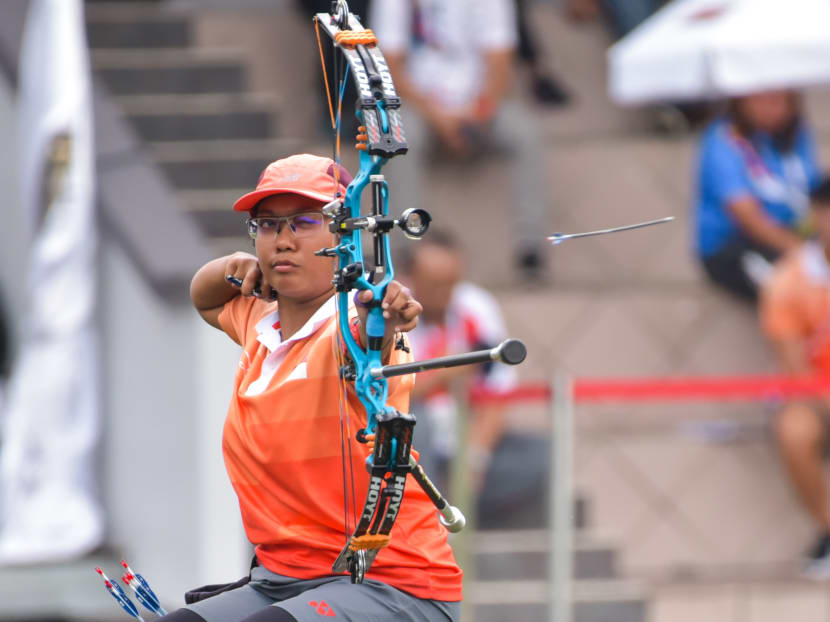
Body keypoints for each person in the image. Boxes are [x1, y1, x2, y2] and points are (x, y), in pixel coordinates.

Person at [160, 154, 461, 622]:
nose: (282, 240)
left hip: (394, 585)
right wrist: (233, 267)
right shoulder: (258, 319)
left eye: (304, 222)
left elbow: (371, 333)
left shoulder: (348, 328)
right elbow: (203, 296)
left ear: (344, 233)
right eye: (267, 225)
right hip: (281, 580)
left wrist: (383, 313)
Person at [370, 0, 550, 280]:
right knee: (399, 136)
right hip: (419, 107)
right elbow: (389, 66)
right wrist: (437, 116)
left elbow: (501, 61)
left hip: (478, 107)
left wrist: (479, 112)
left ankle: (531, 247)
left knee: (525, 133)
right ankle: (407, 248)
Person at [399, 231, 548, 528]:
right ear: (412, 278)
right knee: (417, 424)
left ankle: (461, 522)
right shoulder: (395, 309)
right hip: (413, 441)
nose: (445, 293)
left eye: (451, 284)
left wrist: (474, 457)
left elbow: (498, 392)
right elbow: (398, 392)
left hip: (465, 437)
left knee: (541, 455)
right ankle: (429, 524)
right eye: (435, 285)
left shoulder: (476, 305)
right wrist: (450, 371)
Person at [761, 178, 830, 578]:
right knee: (794, 430)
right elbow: (796, 368)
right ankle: (827, 531)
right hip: (813, 394)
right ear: (816, 216)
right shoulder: (789, 279)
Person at [694, 90, 822, 303]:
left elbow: (814, 192)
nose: (773, 109)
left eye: (782, 100)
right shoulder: (722, 139)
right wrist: (805, 253)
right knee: (793, 293)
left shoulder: (795, 133)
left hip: (794, 234)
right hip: (733, 247)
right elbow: (747, 216)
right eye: (763, 100)